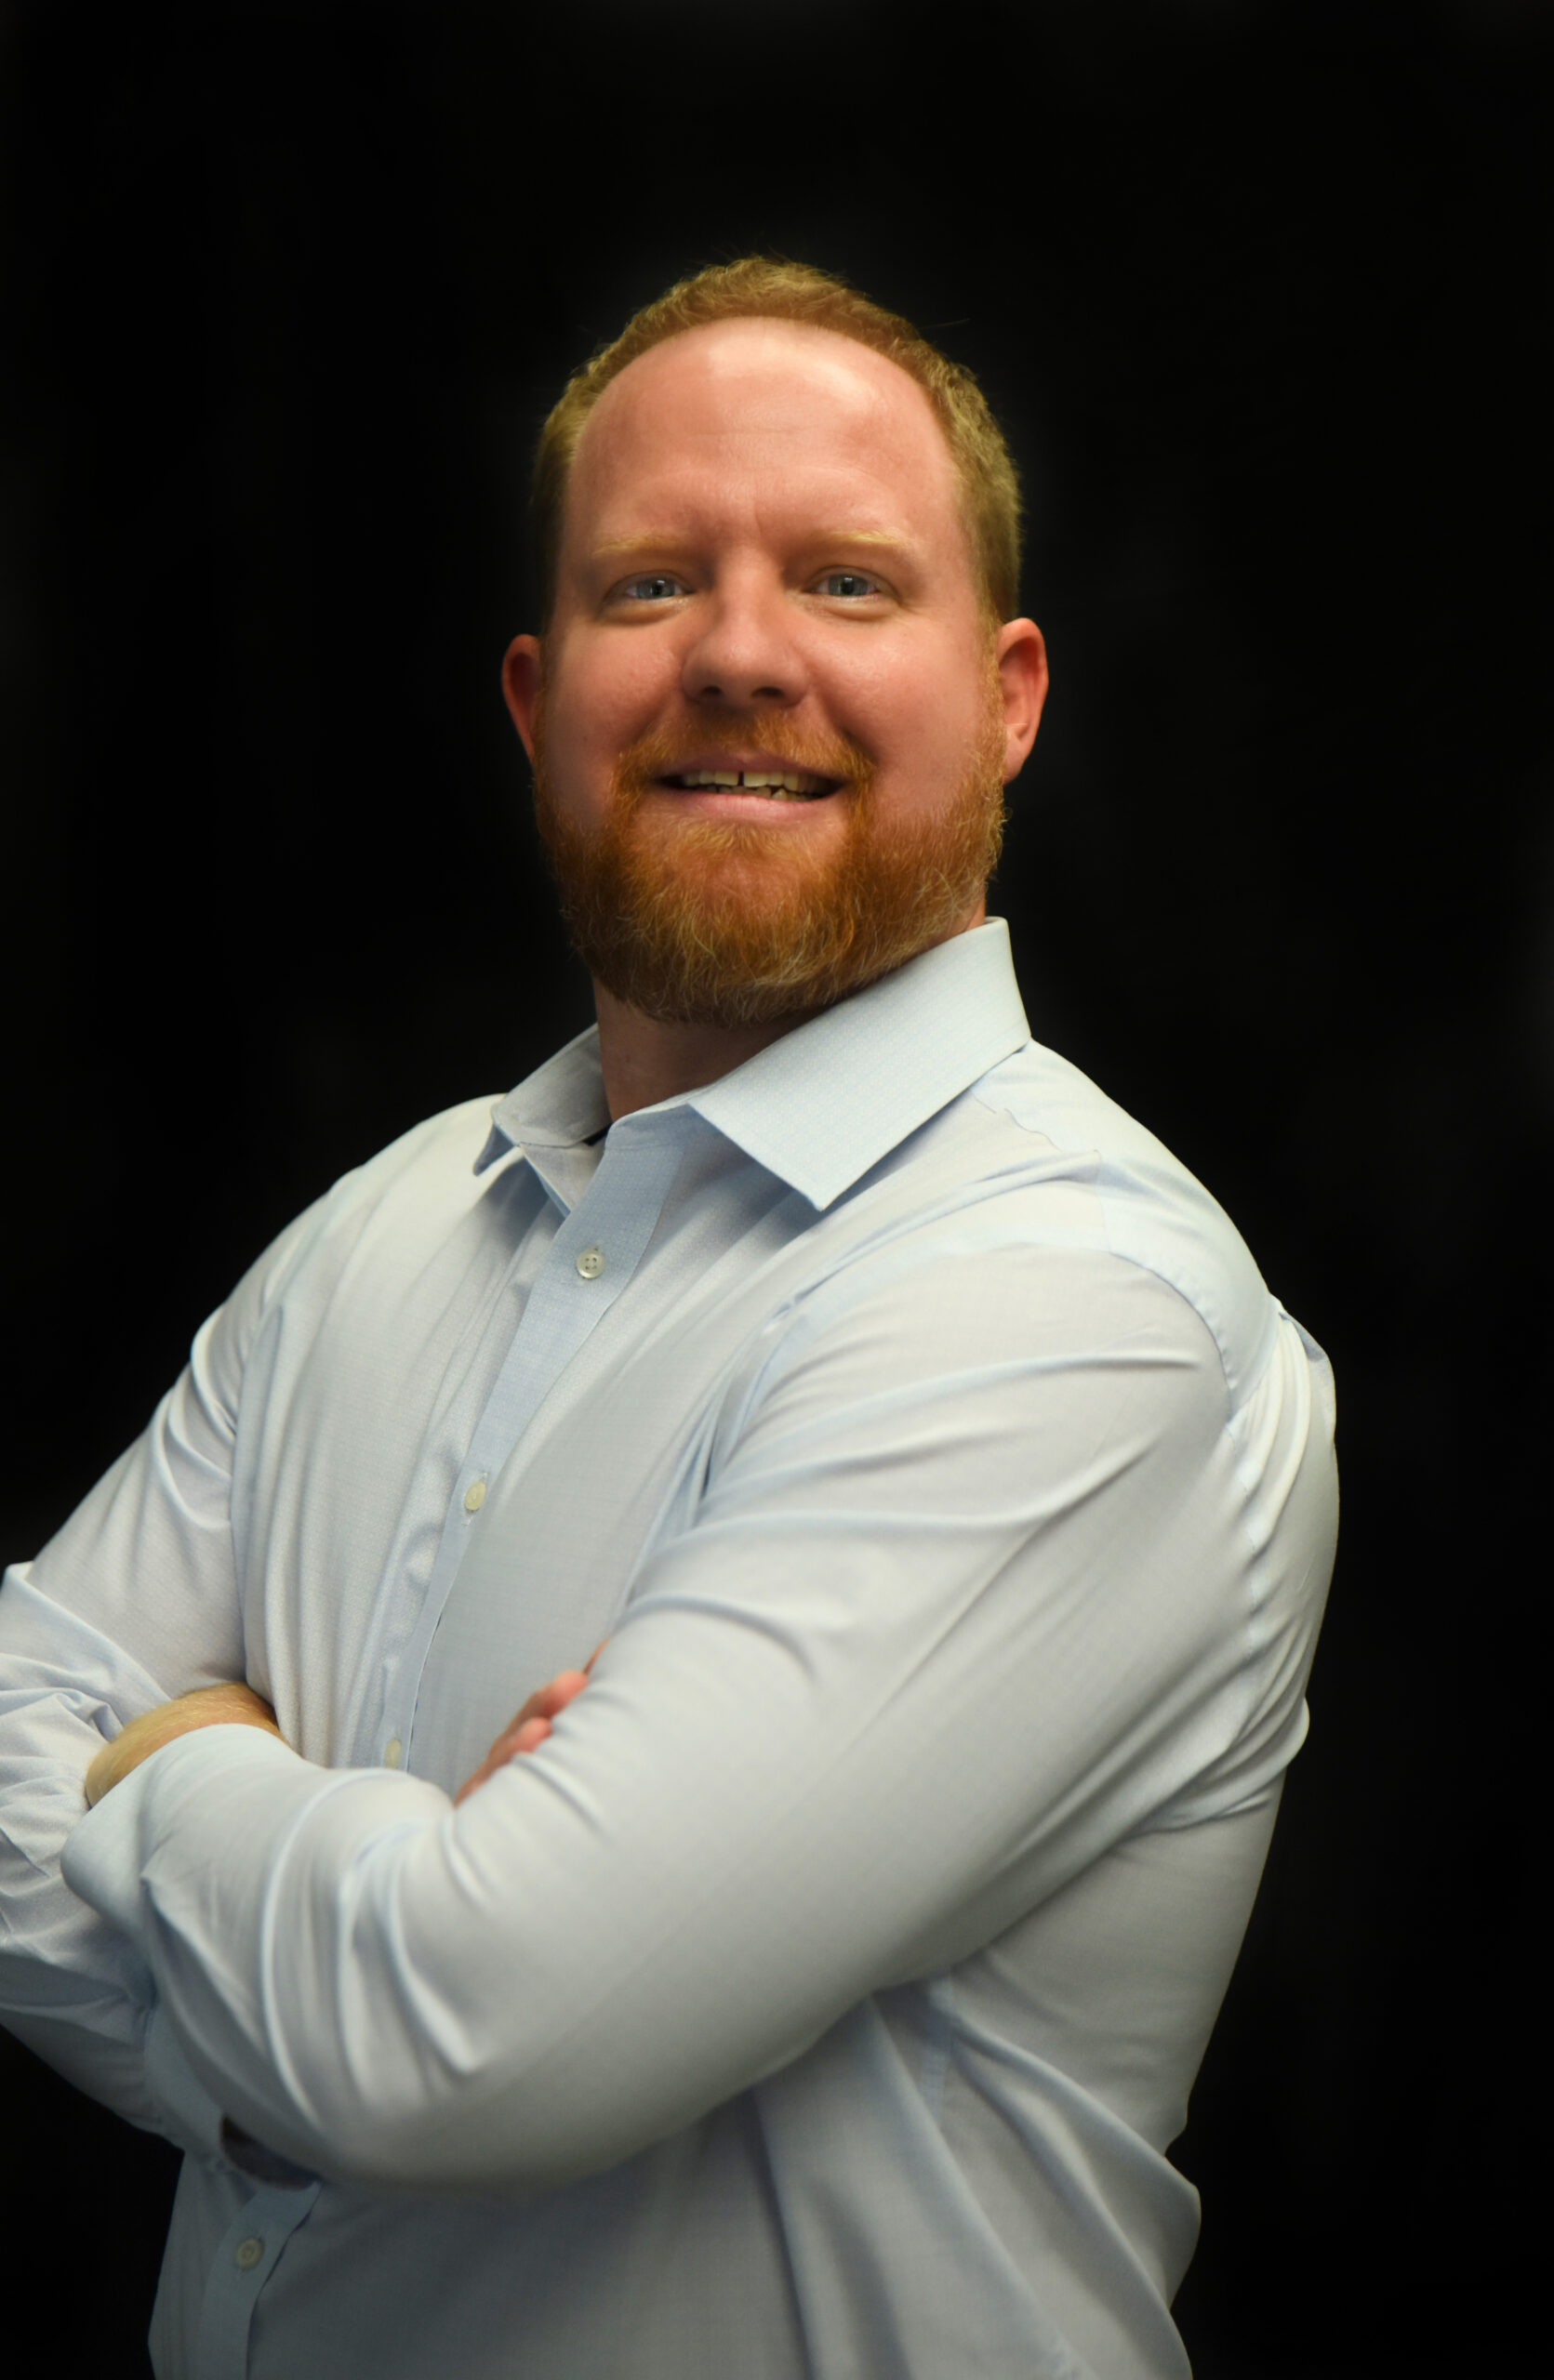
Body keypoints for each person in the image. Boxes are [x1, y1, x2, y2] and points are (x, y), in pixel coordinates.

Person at [0, 256, 1337, 2380]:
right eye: (650, 584)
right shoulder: (379, 1230)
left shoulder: (1079, 1304)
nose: (735, 651)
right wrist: (342, 1971)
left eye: (842, 579)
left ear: (1006, 696)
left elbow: (468, 2026)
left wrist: (168, 1759)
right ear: (536, 701)